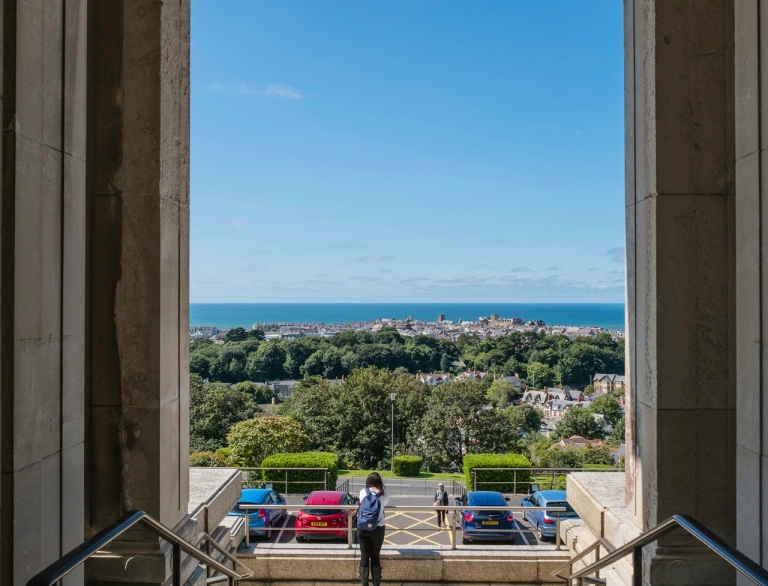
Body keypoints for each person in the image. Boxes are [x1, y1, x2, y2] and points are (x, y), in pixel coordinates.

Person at [358, 472, 389, 586]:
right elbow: (385, 503)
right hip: (378, 527)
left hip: (363, 527)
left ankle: (364, 584)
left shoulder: (363, 492)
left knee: (364, 557)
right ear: (379, 482)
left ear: (368, 482)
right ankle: (376, 584)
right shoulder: (384, 496)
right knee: (375, 556)